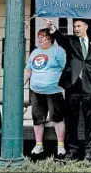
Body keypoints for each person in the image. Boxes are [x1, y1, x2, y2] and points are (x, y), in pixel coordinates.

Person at [46, 18, 91, 160]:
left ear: (86, 27)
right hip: (72, 87)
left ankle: (88, 151)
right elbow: (60, 39)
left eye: (79, 26)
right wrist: (52, 28)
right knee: (72, 120)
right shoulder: (71, 41)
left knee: (89, 122)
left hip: (89, 87)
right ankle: (72, 150)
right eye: (74, 26)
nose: (76, 29)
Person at [24, 28, 67, 157]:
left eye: (43, 36)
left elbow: (65, 69)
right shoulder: (35, 52)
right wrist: (21, 85)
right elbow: (28, 71)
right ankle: (39, 145)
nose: (40, 39)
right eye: (39, 37)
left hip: (54, 91)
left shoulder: (59, 51)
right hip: (36, 91)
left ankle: (60, 146)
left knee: (57, 118)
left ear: (50, 38)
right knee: (37, 119)